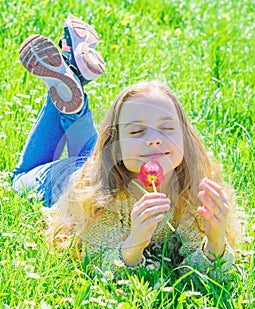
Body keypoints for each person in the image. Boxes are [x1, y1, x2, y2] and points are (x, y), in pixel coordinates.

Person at [13, 14, 239, 283]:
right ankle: (70, 88)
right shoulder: (101, 201)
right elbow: (101, 266)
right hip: (61, 179)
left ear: (185, 139)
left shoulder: (192, 194)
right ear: (113, 146)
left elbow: (205, 279)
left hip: (97, 163)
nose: (154, 139)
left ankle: (72, 81)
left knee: (87, 155)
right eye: (136, 131)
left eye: (167, 128)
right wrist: (135, 242)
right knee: (20, 177)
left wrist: (215, 241)